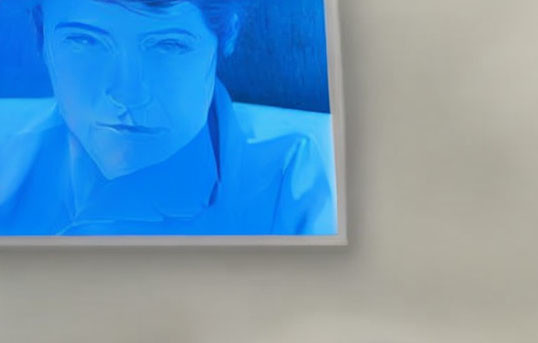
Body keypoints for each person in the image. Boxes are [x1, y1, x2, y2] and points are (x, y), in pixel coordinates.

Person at [0, 0, 335, 236]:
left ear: (227, 35)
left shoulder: (302, 173)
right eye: (84, 40)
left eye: (168, 45)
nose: (127, 93)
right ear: (41, 35)